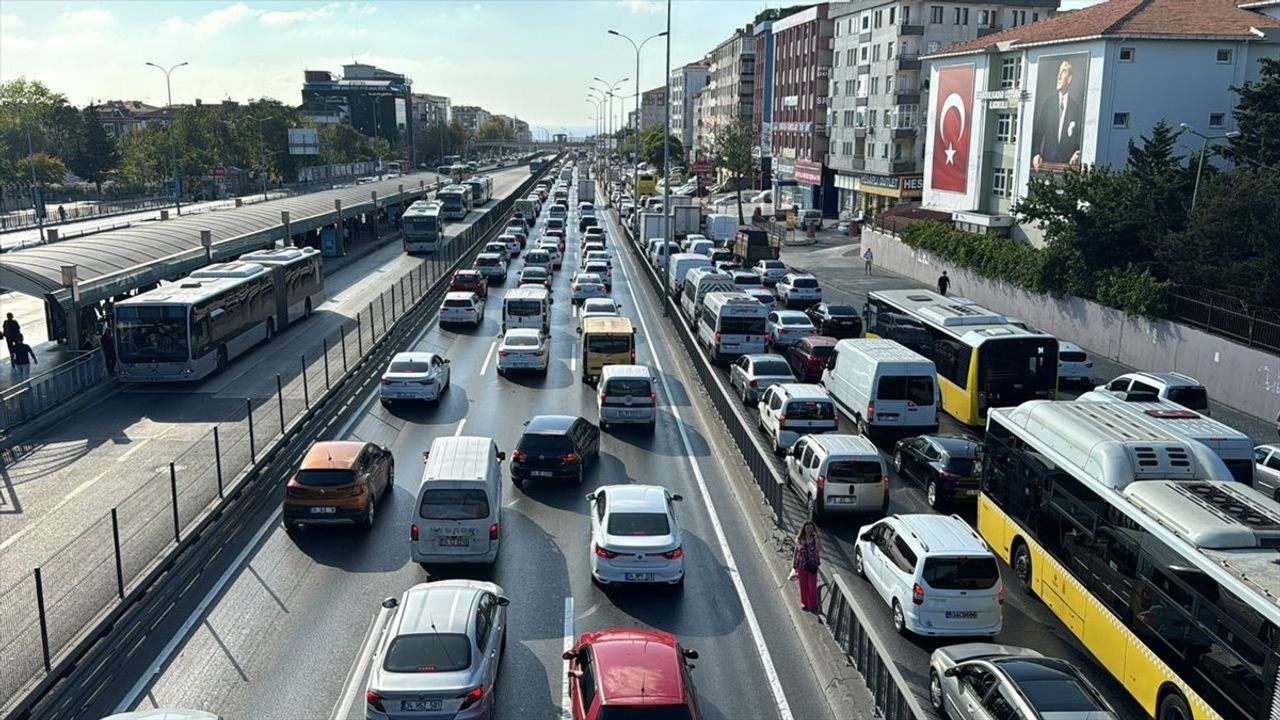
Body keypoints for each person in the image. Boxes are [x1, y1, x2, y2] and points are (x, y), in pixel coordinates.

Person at [1032, 58, 1083, 171]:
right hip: (1048, 164)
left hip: (1067, 167)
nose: (1059, 76)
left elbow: (1080, 137)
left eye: (1063, 71)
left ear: (1069, 79)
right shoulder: (1049, 103)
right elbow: (1038, 132)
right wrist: (1036, 154)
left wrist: (1078, 153)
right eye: (1059, 72)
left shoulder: (1075, 108)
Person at [792, 521, 822, 612]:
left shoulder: (815, 540)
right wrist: (794, 563)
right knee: (803, 585)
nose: (809, 530)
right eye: (807, 528)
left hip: (812, 565)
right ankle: (805, 603)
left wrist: (816, 539)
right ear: (804, 529)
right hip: (802, 565)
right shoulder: (800, 539)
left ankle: (812, 604)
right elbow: (796, 551)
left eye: (811, 528)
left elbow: (819, 549)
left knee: (812, 586)